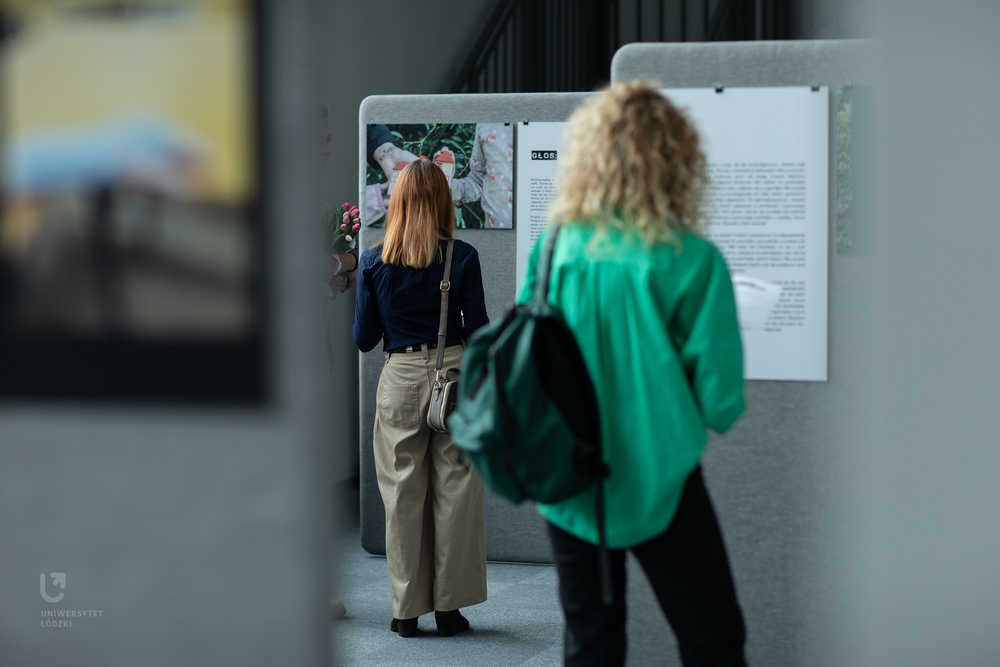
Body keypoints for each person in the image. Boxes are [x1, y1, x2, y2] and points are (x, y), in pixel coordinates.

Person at [519, 81, 748, 666]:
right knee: (712, 638)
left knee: (591, 643)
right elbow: (721, 402)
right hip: (662, 478)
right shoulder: (693, 258)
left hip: (569, 478)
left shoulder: (553, 247)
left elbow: (530, 350)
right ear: (676, 157)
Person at [352, 158, 489, 637]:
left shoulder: (372, 260)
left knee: (402, 495)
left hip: (400, 378)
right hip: (454, 375)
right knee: (456, 489)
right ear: (443, 201)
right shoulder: (464, 256)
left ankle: (406, 613)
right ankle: (449, 611)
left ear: (398, 201)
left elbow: (363, 339)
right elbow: (481, 331)